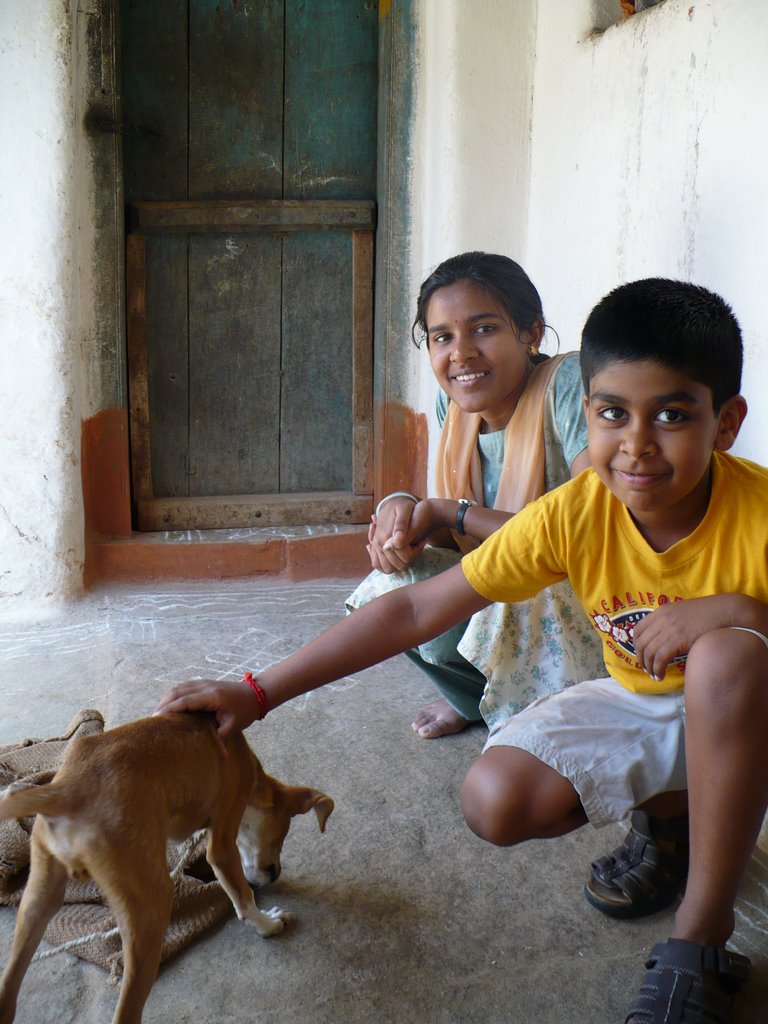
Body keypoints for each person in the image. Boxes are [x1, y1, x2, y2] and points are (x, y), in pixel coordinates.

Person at [156, 278, 768, 1024]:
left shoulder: (758, 512)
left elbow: (735, 649)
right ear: (592, 412)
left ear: (727, 422)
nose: (636, 445)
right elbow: (415, 606)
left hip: (749, 701)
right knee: (495, 799)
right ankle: (672, 822)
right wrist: (257, 691)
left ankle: (699, 939)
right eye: (612, 413)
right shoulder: (577, 511)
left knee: (726, 658)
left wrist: (736, 611)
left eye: (673, 415)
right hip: (646, 699)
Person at [347, 251, 604, 740]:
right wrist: (401, 512)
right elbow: (450, 521)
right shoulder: (457, 401)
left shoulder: (567, 385)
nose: (460, 354)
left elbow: (587, 530)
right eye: (442, 337)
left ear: (531, 332)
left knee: (508, 592)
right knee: (391, 584)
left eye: (483, 329)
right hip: (505, 581)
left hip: (579, 592)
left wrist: (449, 512)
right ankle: (472, 699)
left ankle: (548, 715)